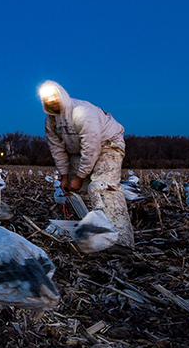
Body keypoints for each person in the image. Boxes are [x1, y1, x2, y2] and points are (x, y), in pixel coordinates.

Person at [38, 80, 134, 249]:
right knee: (73, 190)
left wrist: (80, 176)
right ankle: (93, 234)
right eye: (47, 98)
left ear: (62, 95)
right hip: (79, 151)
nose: (52, 100)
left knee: (103, 187)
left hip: (108, 144)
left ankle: (122, 239)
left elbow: (92, 146)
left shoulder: (81, 112)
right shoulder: (51, 122)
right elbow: (57, 150)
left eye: (54, 96)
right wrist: (65, 177)